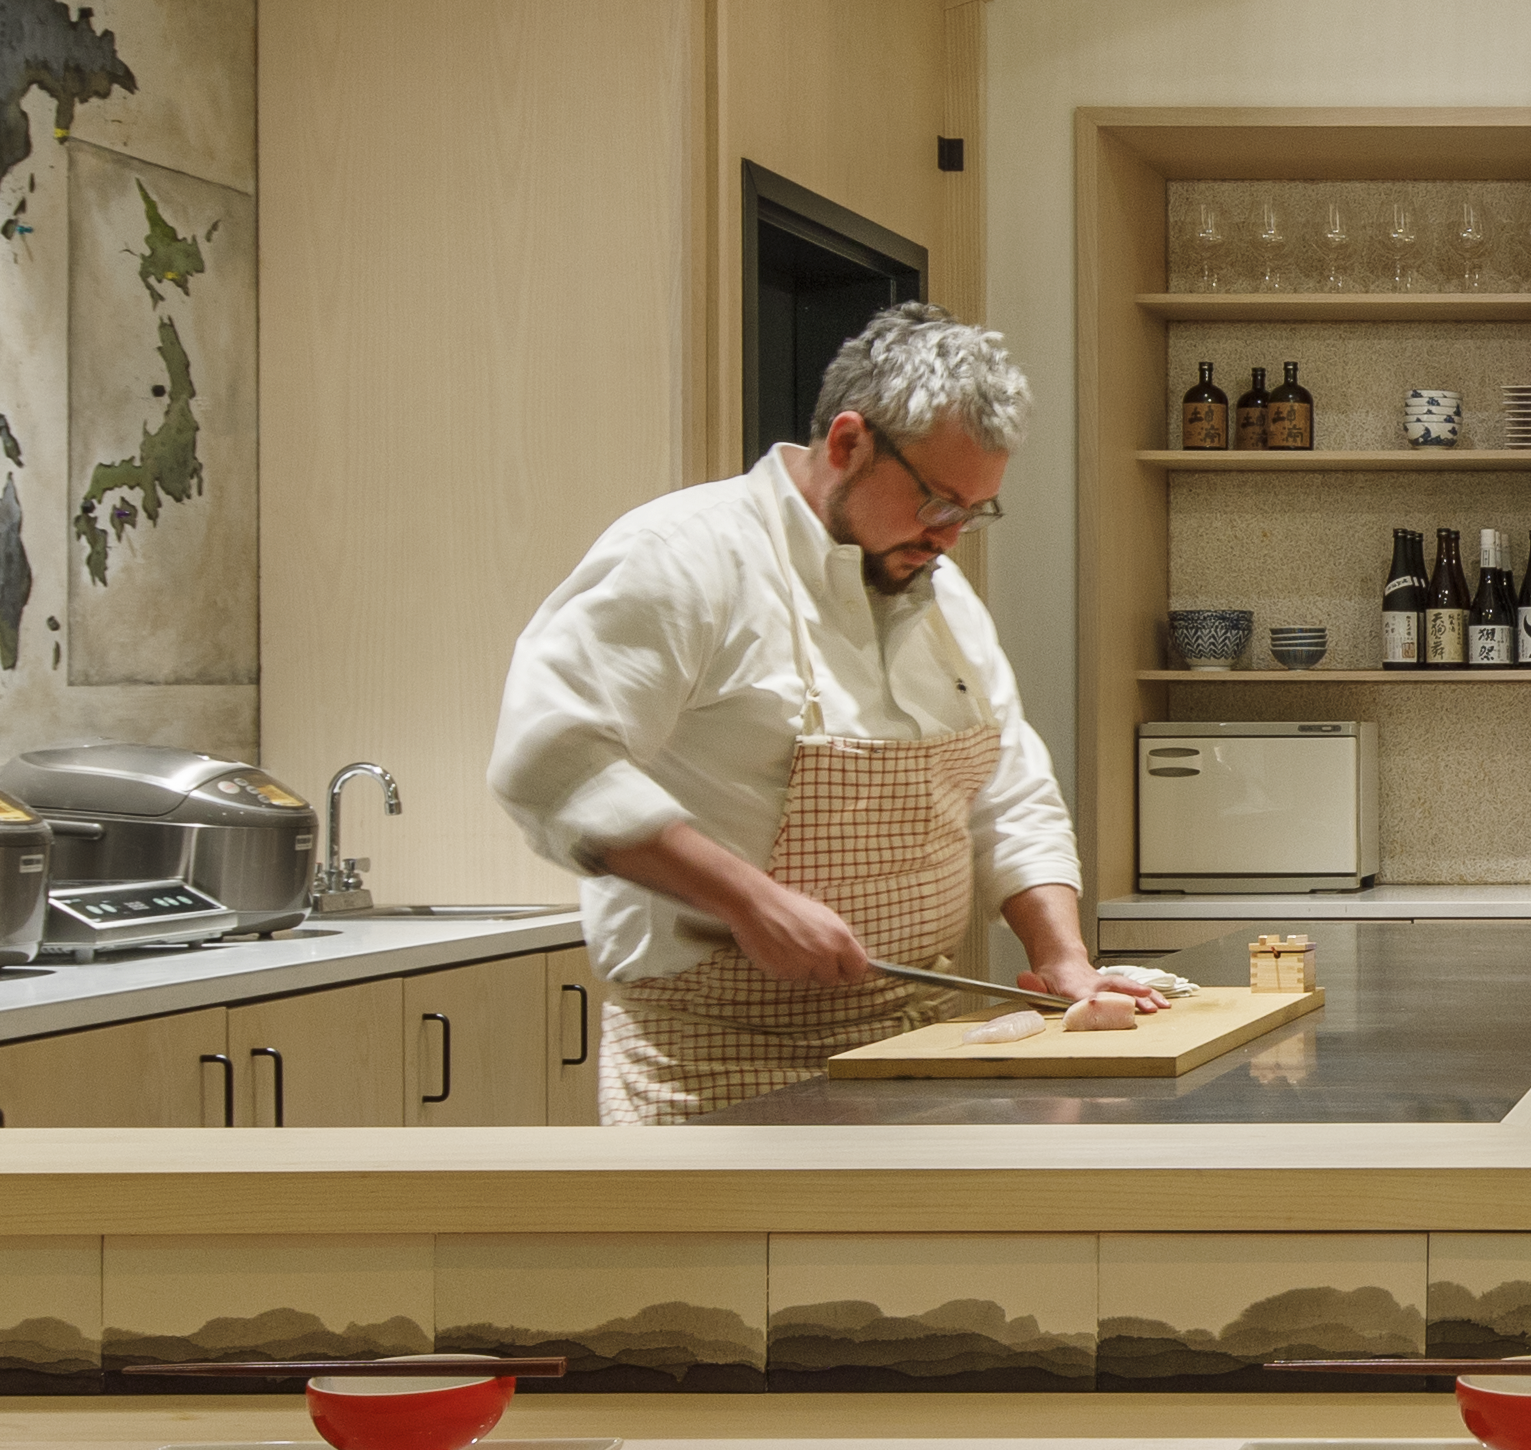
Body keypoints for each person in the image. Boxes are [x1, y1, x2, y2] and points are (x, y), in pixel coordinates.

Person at [493, 306, 1165, 1124]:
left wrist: (1062, 957)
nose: (950, 538)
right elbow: (550, 757)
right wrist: (748, 900)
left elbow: (1009, 793)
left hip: (913, 1052)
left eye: (973, 512)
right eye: (937, 502)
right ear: (849, 443)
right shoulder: (685, 554)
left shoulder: (943, 595)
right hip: (716, 1064)